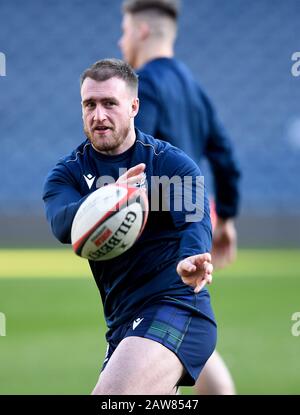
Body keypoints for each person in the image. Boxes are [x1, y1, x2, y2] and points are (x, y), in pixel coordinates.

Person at [43, 59, 217, 395]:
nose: (98, 115)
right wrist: (112, 197)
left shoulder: (171, 164)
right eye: (89, 104)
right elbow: (62, 223)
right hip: (122, 322)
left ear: (134, 106)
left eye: (110, 103)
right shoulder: (67, 174)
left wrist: (193, 257)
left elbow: (194, 220)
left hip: (178, 306)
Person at [119, 0, 241, 394]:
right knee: (195, 353)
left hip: (158, 250)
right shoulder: (193, 87)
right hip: (190, 238)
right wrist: (227, 221)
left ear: (140, 30)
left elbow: (134, 160)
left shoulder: (144, 87)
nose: (120, 41)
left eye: (123, 30)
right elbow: (226, 159)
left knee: (139, 371)